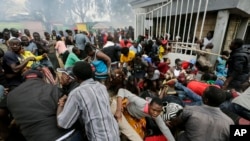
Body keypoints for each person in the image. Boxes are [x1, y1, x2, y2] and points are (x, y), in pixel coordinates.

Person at [7, 70, 79, 141]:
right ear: (42, 79)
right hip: (68, 135)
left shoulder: (11, 96)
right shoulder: (53, 89)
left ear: (24, 81)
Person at [57, 61, 120, 141]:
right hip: (115, 135)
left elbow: (62, 124)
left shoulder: (76, 93)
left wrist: (61, 103)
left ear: (76, 78)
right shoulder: (101, 87)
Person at [169, 86, 234, 141]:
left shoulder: (190, 110)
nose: (202, 94)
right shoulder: (229, 122)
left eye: (203, 93)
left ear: (206, 100)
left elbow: (175, 123)